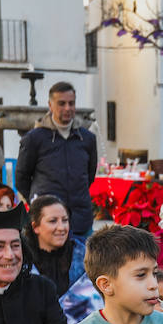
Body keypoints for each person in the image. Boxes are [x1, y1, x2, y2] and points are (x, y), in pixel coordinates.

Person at [15, 81, 98, 239]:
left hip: (81, 221)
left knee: (82, 264)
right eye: (61, 103)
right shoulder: (34, 138)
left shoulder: (87, 139)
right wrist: (38, 204)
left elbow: (89, 175)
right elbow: (21, 178)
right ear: (50, 105)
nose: (67, 108)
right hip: (47, 224)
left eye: (71, 103)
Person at [24, 193, 88, 297]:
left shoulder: (85, 257)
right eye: (53, 221)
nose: (61, 227)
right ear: (35, 226)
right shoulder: (22, 261)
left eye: (65, 220)